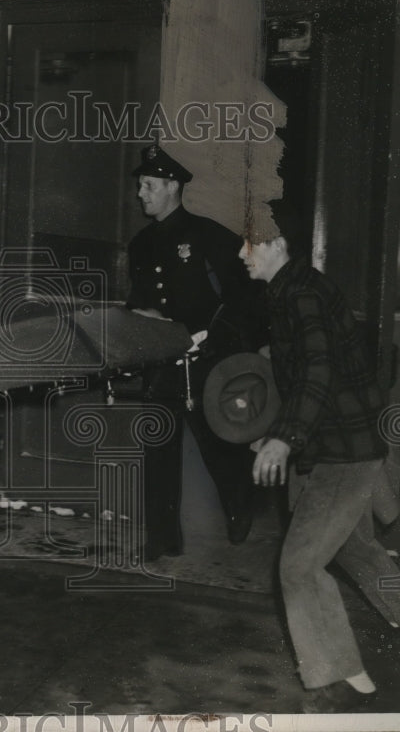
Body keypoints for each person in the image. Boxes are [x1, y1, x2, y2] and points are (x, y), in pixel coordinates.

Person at [239, 201, 400, 713]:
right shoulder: (292, 290)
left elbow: (317, 373)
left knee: (299, 567)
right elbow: (303, 371)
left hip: (342, 451)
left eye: (250, 243)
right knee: (352, 543)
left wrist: (283, 438)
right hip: (336, 443)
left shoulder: (301, 297)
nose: (242, 252)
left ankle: (338, 670)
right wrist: (278, 429)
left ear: (277, 245)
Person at [126, 144, 263, 553]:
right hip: (160, 358)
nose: (141, 194)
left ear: (173, 186)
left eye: (149, 186)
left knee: (217, 443)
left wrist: (216, 337)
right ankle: (162, 539)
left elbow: (249, 292)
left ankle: (240, 507)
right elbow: (139, 299)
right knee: (158, 444)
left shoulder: (210, 236)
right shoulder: (140, 244)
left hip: (206, 358)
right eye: (140, 186)